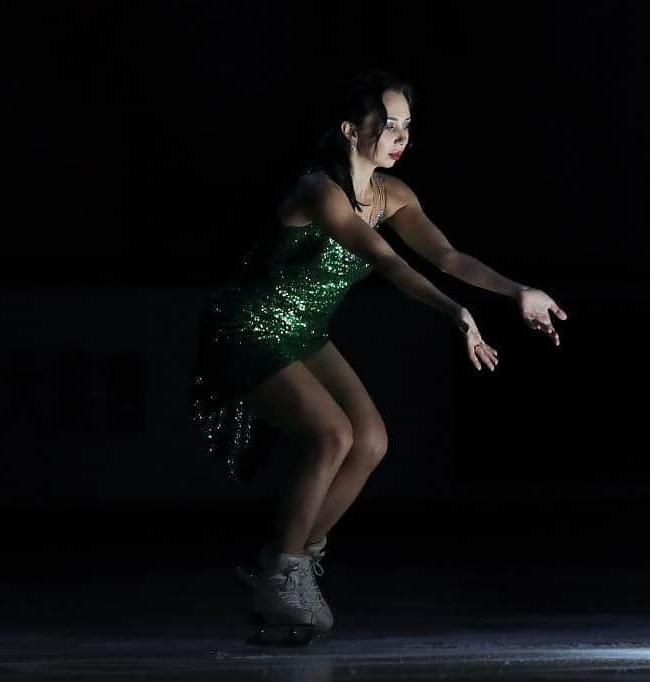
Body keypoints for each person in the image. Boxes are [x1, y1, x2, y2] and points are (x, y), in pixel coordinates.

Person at [189, 68, 568, 643]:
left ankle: (293, 565)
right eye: (388, 125)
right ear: (349, 129)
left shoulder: (393, 195)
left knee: (371, 440)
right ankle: (281, 571)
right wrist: (457, 314)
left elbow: (446, 255)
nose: (401, 137)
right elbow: (390, 264)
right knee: (331, 435)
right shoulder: (320, 190)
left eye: (407, 126)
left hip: (306, 331)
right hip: (250, 325)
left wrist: (518, 291)